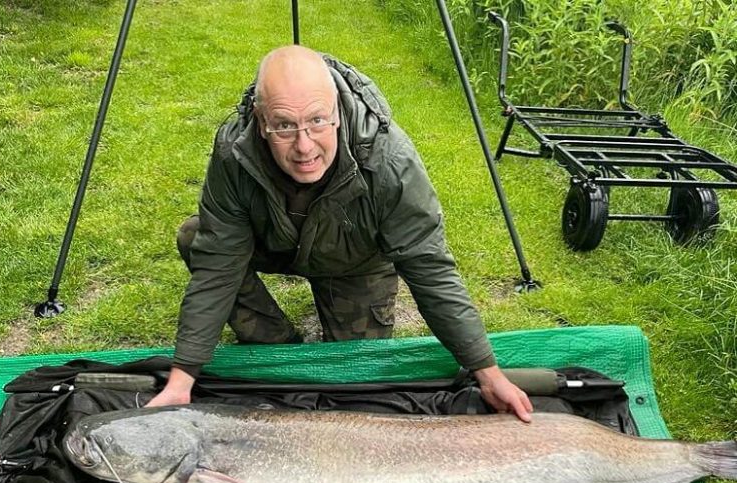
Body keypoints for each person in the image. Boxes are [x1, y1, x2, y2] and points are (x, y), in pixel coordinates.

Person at [148, 45, 533, 421]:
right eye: (284, 125)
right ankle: (278, 346)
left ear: (335, 111)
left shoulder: (389, 160)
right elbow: (219, 264)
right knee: (195, 237)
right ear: (260, 120)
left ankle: (329, 324)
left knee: (352, 373)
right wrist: (183, 378)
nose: (304, 146)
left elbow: (430, 268)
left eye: (317, 121)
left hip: (355, 260)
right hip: (275, 243)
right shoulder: (235, 152)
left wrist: (486, 371)